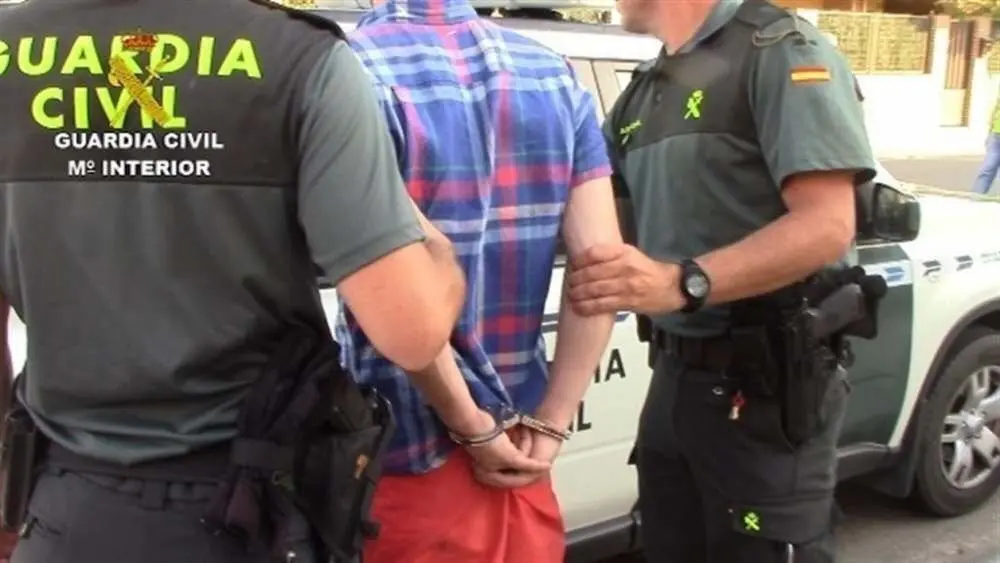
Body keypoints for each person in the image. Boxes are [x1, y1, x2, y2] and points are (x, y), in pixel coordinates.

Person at [0, 0, 479, 561]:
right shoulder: (298, 58)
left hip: (63, 511)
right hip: (249, 511)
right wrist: (438, 251)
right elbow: (412, 332)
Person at [568, 0, 875, 561]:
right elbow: (596, 212)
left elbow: (828, 225)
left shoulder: (779, 51)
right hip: (675, 382)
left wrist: (684, 283)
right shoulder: (646, 85)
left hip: (763, 392)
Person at [340, 0, 622, 561]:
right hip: (525, 455)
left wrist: (470, 426)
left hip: (400, 461)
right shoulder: (553, 72)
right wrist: (553, 421)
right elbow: (601, 265)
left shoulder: (348, 69)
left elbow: (395, 286)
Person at [972, 91, 1000, 195]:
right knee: (988, 167)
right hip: (996, 135)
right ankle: (978, 194)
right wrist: (990, 132)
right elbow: (994, 111)